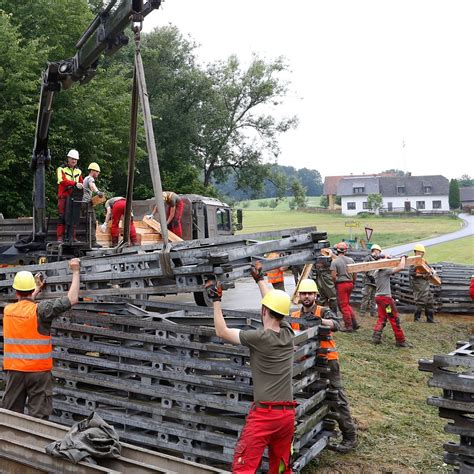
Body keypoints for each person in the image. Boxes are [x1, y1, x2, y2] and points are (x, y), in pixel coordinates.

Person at [206, 261, 295, 473]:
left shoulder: (259, 337)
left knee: (244, 466)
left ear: (264, 310)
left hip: (265, 416)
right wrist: (260, 280)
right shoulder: (288, 333)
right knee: (281, 468)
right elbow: (274, 305)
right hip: (287, 417)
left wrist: (216, 300)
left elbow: (222, 332)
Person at [2, 258, 81, 419]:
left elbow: (24, 305)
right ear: (31, 290)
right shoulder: (41, 310)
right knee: (38, 418)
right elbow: (72, 299)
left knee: (11, 417)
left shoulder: (8, 310)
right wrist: (76, 271)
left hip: (15, 372)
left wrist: (36, 289)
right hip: (38, 373)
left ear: (15, 291)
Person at [291, 279, 357, 453]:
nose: (306, 297)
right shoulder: (295, 316)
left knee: (336, 398)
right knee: (312, 398)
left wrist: (320, 320)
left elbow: (337, 325)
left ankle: (350, 437)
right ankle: (316, 435)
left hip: (328, 361)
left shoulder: (323, 311)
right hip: (306, 363)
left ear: (315, 296)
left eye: (309, 294)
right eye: (303, 293)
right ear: (299, 296)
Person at [371, 249, 410, 347]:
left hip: (379, 299)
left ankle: (376, 337)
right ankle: (400, 341)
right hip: (386, 300)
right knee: (393, 318)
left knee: (382, 317)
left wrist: (388, 258)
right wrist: (403, 258)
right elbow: (401, 267)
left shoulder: (376, 271)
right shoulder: (384, 271)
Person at [330, 242, 359, 332]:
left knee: (343, 306)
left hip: (341, 284)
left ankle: (348, 326)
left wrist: (335, 284)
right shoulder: (351, 260)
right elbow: (355, 273)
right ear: (346, 250)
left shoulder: (335, 262)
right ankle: (354, 323)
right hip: (350, 283)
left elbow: (334, 276)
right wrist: (353, 282)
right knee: (346, 304)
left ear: (337, 250)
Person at [56, 149, 83, 242]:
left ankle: (72, 237)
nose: (74, 161)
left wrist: (82, 186)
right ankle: (60, 237)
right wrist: (75, 184)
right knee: (62, 217)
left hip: (74, 197)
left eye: (75, 159)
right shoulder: (61, 169)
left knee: (74, 217)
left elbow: (81, 182)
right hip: (63, 196)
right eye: (72, 158)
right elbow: (61, 180)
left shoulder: (78, 171)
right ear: (68, 158)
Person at [409, 244, 436, 323]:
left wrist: (432, 272)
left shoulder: (423, 261)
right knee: (421, 300)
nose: (420, 253)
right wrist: (423, 275)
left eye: (421, 252)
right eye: (418, 252)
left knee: (430, 300)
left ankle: (430, 319)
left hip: (426, 282)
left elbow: (430, 268)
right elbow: (412, 273)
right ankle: (417, 319)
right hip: (418, 283)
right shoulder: (413, 261)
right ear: (415, 252)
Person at [82, 162, 104, 248]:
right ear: (93, 171)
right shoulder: (90, 178)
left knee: (86, 223)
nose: (98, 174)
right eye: (97, 172)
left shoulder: (85, 179)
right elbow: (92, 186)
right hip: (87, 204)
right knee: (92, 222)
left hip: (83, 204)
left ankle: (87, 241)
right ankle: (93, 242)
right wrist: (98, 192)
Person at [359, 245, 380, 318]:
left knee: (373, 298)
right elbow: (364, 268)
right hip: (368, 281)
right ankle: (362, 313)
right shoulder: (368, 258)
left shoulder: (377, 259)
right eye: (378, 251)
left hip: (375, 282)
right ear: (375, 250)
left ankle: (373, 313)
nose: (379, 253)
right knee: (365, 297)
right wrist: (369, 276)